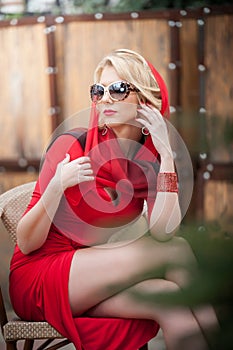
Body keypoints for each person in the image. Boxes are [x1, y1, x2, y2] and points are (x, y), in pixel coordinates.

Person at [9, 49, 218, 350]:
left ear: (145, 102)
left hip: (87, 278)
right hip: (39, 275)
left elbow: (163, 231)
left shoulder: (149, 163)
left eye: (118, 89)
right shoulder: (73, 145)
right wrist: (57, 185)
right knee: (177, 251)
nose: (105, 98)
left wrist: (168, 156)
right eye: (99, 90)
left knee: (171, 303)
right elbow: (27, 244)